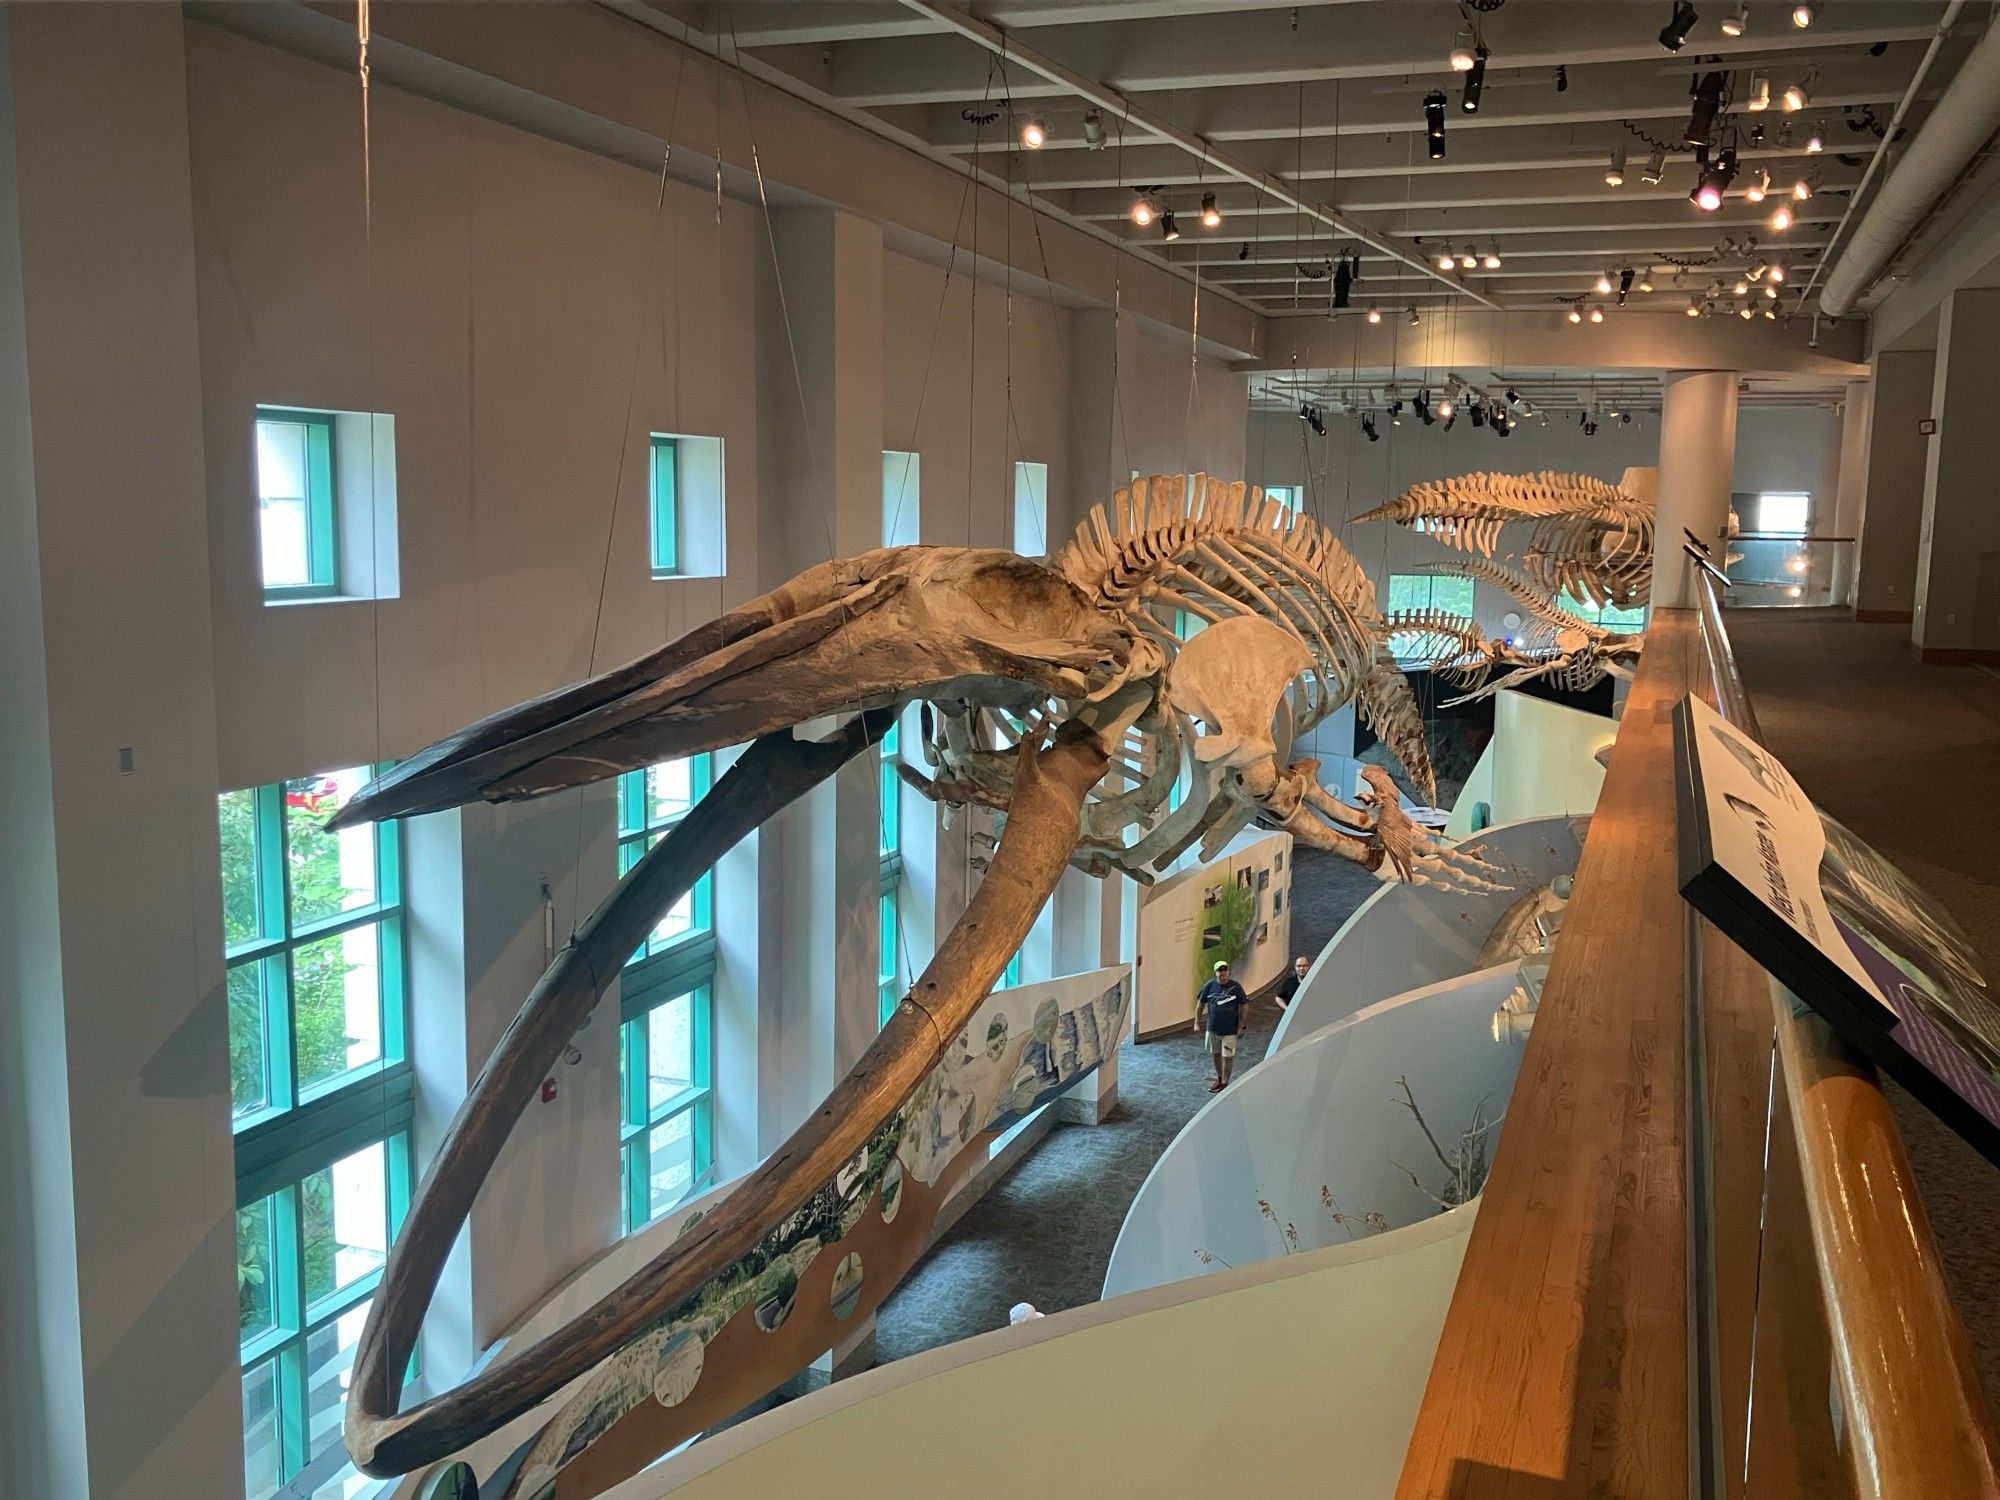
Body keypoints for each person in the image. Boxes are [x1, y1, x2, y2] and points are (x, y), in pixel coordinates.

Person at [1193, 960, 1250, 1092]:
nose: (1223, 973)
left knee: (1227, 1056)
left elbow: (1245, 1006)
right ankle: (1219, 1078)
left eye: (1225, 970)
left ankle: (1225, 1082)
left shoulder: (1236, 987)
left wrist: (1242, 1026)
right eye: (1220, 970)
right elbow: (1200, 1005)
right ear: (1216, 973)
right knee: (1216, 1054)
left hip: (1229, 1030)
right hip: (1212, 1028)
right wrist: (1197, 1022)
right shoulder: (1209, 986)